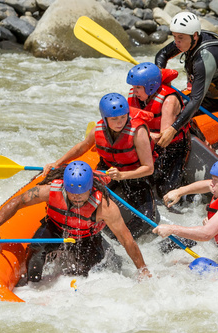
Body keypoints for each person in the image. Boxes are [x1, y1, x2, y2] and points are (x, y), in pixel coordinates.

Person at [0, 161, 151, 283]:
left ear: (91, 188)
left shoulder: (105, 207)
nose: (76, 198)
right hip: (55, 228)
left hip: (86, 237)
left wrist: (142, 269)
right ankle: (33, 287)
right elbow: (17, 202)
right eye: (72, 193)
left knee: (88, 274)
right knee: (34, 257)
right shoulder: (50, 191)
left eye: (81, 194)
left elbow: (126, 239)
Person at [43, 93, 158, 240]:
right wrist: (57, 163)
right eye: (114, 119)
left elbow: (149, 168)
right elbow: (81, 148)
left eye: (123, 117)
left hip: (135, 175)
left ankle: (118, 239)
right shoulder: (98, 129)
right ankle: (96, 233)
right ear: (105, 119)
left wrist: (122, 175)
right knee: (86, 204)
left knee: (146, 220)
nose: (120, 122)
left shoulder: (138, 132)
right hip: (107, 171)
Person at [154, 11, 218, 160]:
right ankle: (198, 144)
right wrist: (161, 74)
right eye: (174, 37)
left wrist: (173, 129)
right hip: (214, 95)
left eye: (180, 38)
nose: (176, 42)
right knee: (175, 109)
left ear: (195, 35)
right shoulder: (187, 40)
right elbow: (162, 55)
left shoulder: (204, 58)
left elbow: (196, 101)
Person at [126, 62, 191, 198]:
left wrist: (140, 135)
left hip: (173, 147)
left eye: (138, 87)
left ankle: (187, 192)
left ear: (151, 87)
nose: (134, 90)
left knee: (165, 191)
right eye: (133, 86)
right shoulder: (135, 96)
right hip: (147, 144)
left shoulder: (169, 100)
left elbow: (163, 140)